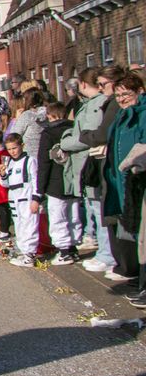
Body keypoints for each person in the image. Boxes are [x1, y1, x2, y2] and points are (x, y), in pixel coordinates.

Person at [61, 68, 117, 276]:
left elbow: (90, 135)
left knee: (98, 209)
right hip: (88, 163)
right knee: (94, 208)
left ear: (83, 85)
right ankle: (104, 251)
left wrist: (66, 142)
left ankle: (106, 255)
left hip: (90, 163)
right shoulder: (93, 104)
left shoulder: (95, 106)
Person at [103, 74, 146, 294]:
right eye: (118, 94)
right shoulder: (122, 115)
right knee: (134, 231)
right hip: (122, 182)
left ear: (139, 91)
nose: (121, 99)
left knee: (143, 233)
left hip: (138, 181)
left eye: (126, 94)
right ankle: (139, 277)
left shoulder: (143, 114)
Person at [36, 102, 83, 265]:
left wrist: (39, 189)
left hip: (55, 182)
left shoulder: (48, 134)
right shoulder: (75, 129)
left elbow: (44, 163)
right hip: (74, 179)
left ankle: (63, 251)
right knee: (74, 215)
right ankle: (73, 248)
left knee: (58, 217)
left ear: (50, 115)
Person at [0, 132, 39, 267]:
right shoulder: (9, 162)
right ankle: (23, 251)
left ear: (22, 146)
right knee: (19, 225)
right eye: (9, 149)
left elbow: (36, 180)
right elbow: (5, 184)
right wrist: (3, 174)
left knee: (29, 225)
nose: (12, 152)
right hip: (14, 198)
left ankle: (29, 254)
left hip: (26, 197)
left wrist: (36, 199)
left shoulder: (30, 160)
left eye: (14, 148)